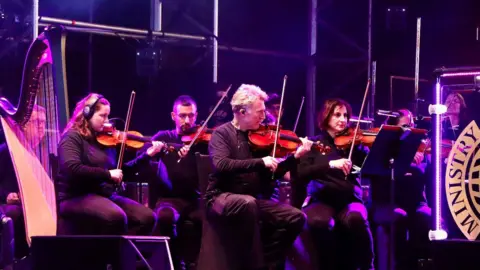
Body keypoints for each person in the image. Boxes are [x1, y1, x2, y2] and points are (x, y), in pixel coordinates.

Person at [200, 84, 311, 270]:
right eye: (259, 112)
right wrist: (260, 162)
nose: (264, 116)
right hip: (221, 197)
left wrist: (295, 157)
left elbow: (273, 172)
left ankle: (269, 262)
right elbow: (222, 164)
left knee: (296, 217)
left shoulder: (258, 136)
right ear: (242, 112)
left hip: (251, 200)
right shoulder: (221, 134)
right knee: (248, 203)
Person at [56, 93, 160, 235]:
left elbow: (120, 171)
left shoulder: (105, 140)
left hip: (103, 195)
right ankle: (109, 256)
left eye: (108, 116)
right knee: (116, 217)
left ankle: (124, 255)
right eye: (102, 116)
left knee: (147, 218)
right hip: (76, 196)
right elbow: (72, 168)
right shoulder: (72, 137)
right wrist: (107, 174)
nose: (107, 121)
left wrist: (147, 155)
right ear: (87, 113)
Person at [295, 98, 374, 270]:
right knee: (317, 221)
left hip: (350, 199)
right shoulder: (314, 143)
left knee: (357, 218)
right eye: (337, 115)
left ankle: (368, 266)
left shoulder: (355, 145)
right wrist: (330, 164)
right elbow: (302, 172)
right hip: (321, 198)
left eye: (345, 115)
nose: (343, 119)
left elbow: (368, 168)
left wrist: (365, 149)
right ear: (326, 116)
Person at [147, 95, 207, 269]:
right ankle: (172, 263)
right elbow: (141, 156)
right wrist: (154, 149)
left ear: (196, 116)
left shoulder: (202, 141)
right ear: (173, 116)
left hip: (195, 200)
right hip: (169, 199)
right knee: (165, 217)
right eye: (182, 116)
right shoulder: (164, 136)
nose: (187, 120)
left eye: (191, 116)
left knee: (216, 220)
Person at [369, 109, 431, 269]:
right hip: (387, 202)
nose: (410, 130)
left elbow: (423, 172)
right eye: (405, 126)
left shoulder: (421, 148)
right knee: (399, 216)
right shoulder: (383, 151)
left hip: (415, 203)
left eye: (412, 125)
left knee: (428, 217)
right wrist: (405, 159)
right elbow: (379, 174)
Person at [0, 105, 46, 259]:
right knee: (17, 213)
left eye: (43, 123)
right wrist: (6, 196)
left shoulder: (43, 154)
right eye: (36, 122)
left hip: (32, 204)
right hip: (8, 205)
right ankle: (19, 260)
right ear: (22, 125)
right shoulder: (5, 151)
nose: (41, 127)